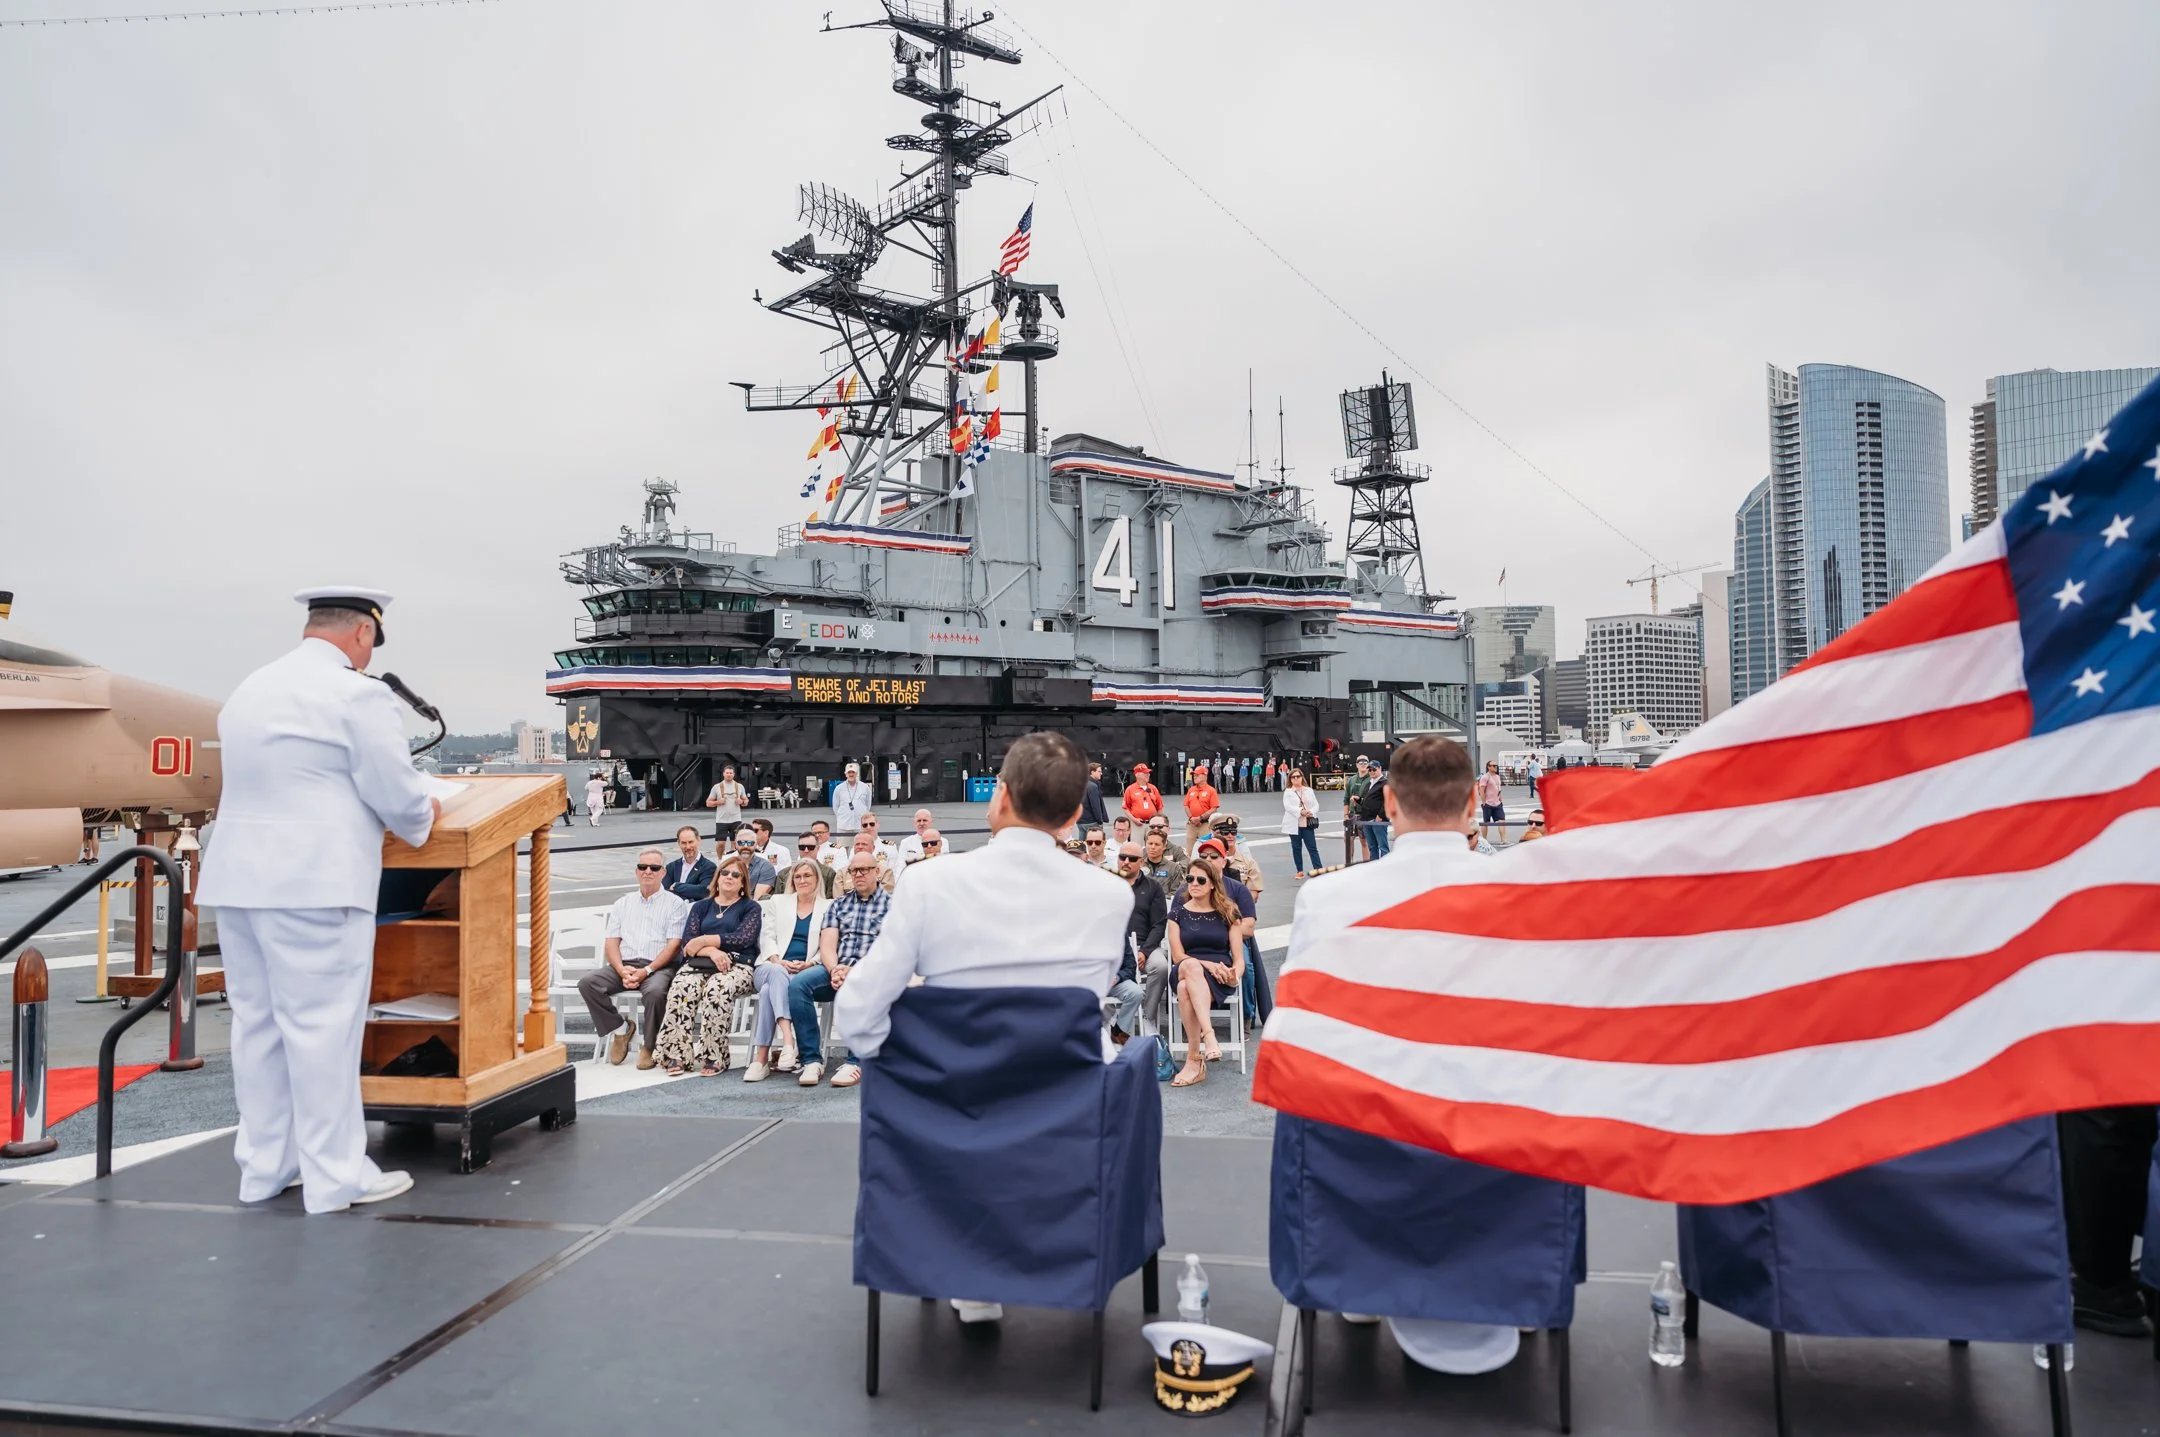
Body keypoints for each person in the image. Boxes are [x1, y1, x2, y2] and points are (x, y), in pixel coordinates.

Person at [835, 730, 1131, 1325]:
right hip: (1064, 1118)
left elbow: (858, 1013)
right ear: (1075, 816)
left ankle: (965, 1266)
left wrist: (899, 1061)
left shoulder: (928, 882)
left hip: (948, 1114)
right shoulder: (1111, 894)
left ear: (998, 797)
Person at [1279, 732, 1523, 1374]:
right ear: (1474, 803)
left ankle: (1361, 1268)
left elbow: (1298, 1019)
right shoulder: (1528, 893)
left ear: (1387, 802)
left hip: (1371, 1134)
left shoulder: (1327, 899)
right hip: (1489, 1137)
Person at [197, 586, 439, 1213]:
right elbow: (397, 794)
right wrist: (425, 810)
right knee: (322, 1031)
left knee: (258, 1028)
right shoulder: (358, 694)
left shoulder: (250, 689)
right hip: (313, 883)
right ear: (364, 633)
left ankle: (265, 1166)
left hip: (239, 882)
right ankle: (336, 1177)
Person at [578, 849, 690, 1070]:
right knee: (588, 983)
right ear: (636, 871)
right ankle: (621, 1030)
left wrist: (646, 970)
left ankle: (650, 1046)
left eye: (654, 868)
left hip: (658, 966)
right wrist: (621, 970)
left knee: (656, 992)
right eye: (642, 867)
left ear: (663, 872)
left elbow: (674, 945)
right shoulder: (623, 903)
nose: (647, 872)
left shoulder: (675, 904)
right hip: (625, 964)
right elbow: (611, 942)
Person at [790, 849, 891, 1089]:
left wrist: (854, 972)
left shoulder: (894, 906)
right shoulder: (840, 904)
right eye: (853, 870)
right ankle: (811, 1059)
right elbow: (827, 944)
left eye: (864, 870)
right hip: (837, 970)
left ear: (876, 871)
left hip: (872, 972)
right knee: (797, 985)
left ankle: (857, 1061)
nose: (858, 875)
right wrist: (836, 969)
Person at [653, 855, 761, 1077]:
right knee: (683, 988)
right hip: (700, 963)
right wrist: (711, 949)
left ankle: (714, 1055)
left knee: (717, 989)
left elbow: (743, 939)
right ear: (717, 877)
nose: (729, 877)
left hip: (737, 965)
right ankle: (676, 1054)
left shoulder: (750, 908)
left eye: (736, 875)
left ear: (743, 883)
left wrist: (705, 940)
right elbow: (688, 943)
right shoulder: (701, 907)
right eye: (725, 872)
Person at [1165, 858, 1249, 1087]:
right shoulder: (1177, 914)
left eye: (1200, 879)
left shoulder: (1229, 913)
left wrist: (1234, 975)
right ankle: (1209, 1036)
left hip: (1217, 976)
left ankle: (1194, 1061)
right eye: (1189, 878)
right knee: (1190, 967)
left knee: (1185, 989)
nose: (1194, 883)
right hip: (1184, 967)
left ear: (1212, 883)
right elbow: (1178, 956)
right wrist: (1207, 965)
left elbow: (1238, 959)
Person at [748, 859, 830, 1080]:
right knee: (776, 974)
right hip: (771, 965)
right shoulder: (778, 901)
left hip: (805, 968)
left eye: (807, 876)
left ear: (817, 879)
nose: (802, 880)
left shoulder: (828, 906)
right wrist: (777, 959)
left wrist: (810, 964)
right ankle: (788, 1041)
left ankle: (761, 1059)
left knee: (768, 992)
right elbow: (767, 936)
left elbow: (829, 943)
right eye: (798, 876)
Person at [1107, 840, 1169, 1042]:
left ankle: (1148, 1017)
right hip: (1113, 948)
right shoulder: (1107, 885)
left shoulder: (1153, 888)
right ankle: (1111, 1018)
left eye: (1132, 859)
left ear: (1141, 862)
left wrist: (1145, 951)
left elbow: (1159, 924)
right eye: (1122, 857)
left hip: (1145, 946)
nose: (1126, 862)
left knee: (1160, 966)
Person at [1207, 813, 1265, 900]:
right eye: (1225, 832)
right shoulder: (1207, 860)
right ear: (1216, 834)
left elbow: (1253, 894)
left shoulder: (1248, 863)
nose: (1230, 836)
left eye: (1233, 832)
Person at [1281, 766, 1321, 878]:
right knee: (1296, 848)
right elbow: (1287, 806)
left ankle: (1318, 869)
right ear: (1290, 779)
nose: (1296, 779)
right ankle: (1299, 870)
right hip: (1294, 824)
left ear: (1302, 777)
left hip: (1307, 823)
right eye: (1293, 777)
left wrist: (1310, 812)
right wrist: (1301, 812)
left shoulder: (1309, 790)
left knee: (1312, 847)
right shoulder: (1288, 792)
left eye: (1298, 776)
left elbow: (1316, 804)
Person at [662, 826, 715, 902]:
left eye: (691, 842)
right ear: (678, 843)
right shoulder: (671, 867)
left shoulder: (709, 867)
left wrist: (676, 886)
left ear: (698, 840)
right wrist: (691, 891)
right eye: (683, 843)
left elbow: (704, 891)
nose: (688, 847)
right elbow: (664, 892)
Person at [727, 827, 778, 898]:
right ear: (735, 845)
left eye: (750, 843)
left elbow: (757, 899)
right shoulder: (727, 865)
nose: (745, 846)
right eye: (741, 843)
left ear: (756, 844)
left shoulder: (765, 867)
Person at [1181, 763, 1220, 856]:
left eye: (1197, 775)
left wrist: (1200, 818)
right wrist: (1191, 818)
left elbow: (1214, 808)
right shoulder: (1191, 790)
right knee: (1189, 851)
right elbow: (1186, 805)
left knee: (1206, 850)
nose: (1195, 777)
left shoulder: (1211, 790)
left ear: (1204, 776)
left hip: (1205, 825)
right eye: (1194, 775)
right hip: (1192, 825)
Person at [705, 763, 748, 843]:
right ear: (723, 774)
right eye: (727, 773)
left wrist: (741, 801)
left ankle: (733, 855)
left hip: (736, 819)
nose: (729, 774)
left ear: (734, 774)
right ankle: (720, 856)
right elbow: (708, 803)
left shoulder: (739, 786)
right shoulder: (717, 787)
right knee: (721, 843)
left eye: (731, 773)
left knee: (735, 843)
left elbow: (746, 801)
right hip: (721, 820)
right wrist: (718, 802)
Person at [830, 761, 875, 835]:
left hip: (860, 826)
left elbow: (868, 805)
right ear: (845, 774)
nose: (851, 774)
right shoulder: (839, 788)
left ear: (856, 773)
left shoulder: (865, 788)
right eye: (849, 772)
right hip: (843, 826)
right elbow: (835, 806)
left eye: (853, 772)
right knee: (843, 846)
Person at [1356, 764, 1391, 860]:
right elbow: (1366, 800)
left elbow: (1388, 800)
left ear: (1380, 768)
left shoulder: (1385, 783)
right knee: (1372, 847)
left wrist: (1381, 815)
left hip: (1378, 820)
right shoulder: (1369, 783)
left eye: (1374, 769)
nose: (1371, 771)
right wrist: (1358, 800)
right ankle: (1374, 868)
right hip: (1367, 819)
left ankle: (1385, 869)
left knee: (1383, 847)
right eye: (1370, 770)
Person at [1342, 756, 1372, 865]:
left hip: (1363, 815)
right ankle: (1349, 864)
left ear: (1368, 764)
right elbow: (1346, 799)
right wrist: (1346, 814)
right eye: (1360, 761)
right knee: (1348, 840)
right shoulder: (1352, 780)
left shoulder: (1371, 779)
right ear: (1356, 764)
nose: (1363, 763)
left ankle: (1366, 865)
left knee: (1364, 841)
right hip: (1351, 814)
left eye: (1365, 762)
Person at [1139, 826, 1183, 900]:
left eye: (1157, 844)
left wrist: (1157, 899)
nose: (1152, 847)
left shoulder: (1174, 868)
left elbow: (1176, 893)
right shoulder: (1138, 865)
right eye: (1150, 843)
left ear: (1164, 846)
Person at [794, 831, 836, 896]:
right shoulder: (784, 874)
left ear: (818, 848)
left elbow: (830, 901)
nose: (806, 850)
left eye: (811, 847)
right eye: (802, 847)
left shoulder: (829, 874)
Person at [1475, 760, 1506, 846]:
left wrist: (1501, 799)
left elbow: (1499, 789)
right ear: (1488, 767)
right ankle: (1484, 840)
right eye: (1493, 765)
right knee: (1486, 822)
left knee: (1502, 821)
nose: (1495, 767)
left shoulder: (1497, 777)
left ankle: (1503, 840)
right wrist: (1484, 802)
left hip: (1498, 803)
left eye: (1496, 765)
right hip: (1488, 803)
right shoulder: (1485, 777)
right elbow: (1481, 789)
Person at [1080, 761, 1109, 828]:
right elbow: (1095, 806)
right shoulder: (1093, 787)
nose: (1101, 773)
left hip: (1080, 822)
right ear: (1092, 772)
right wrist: (1100, 821)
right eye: (1099, 771)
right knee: (1096, 838)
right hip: (1091, 822)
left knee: (1082, 839)